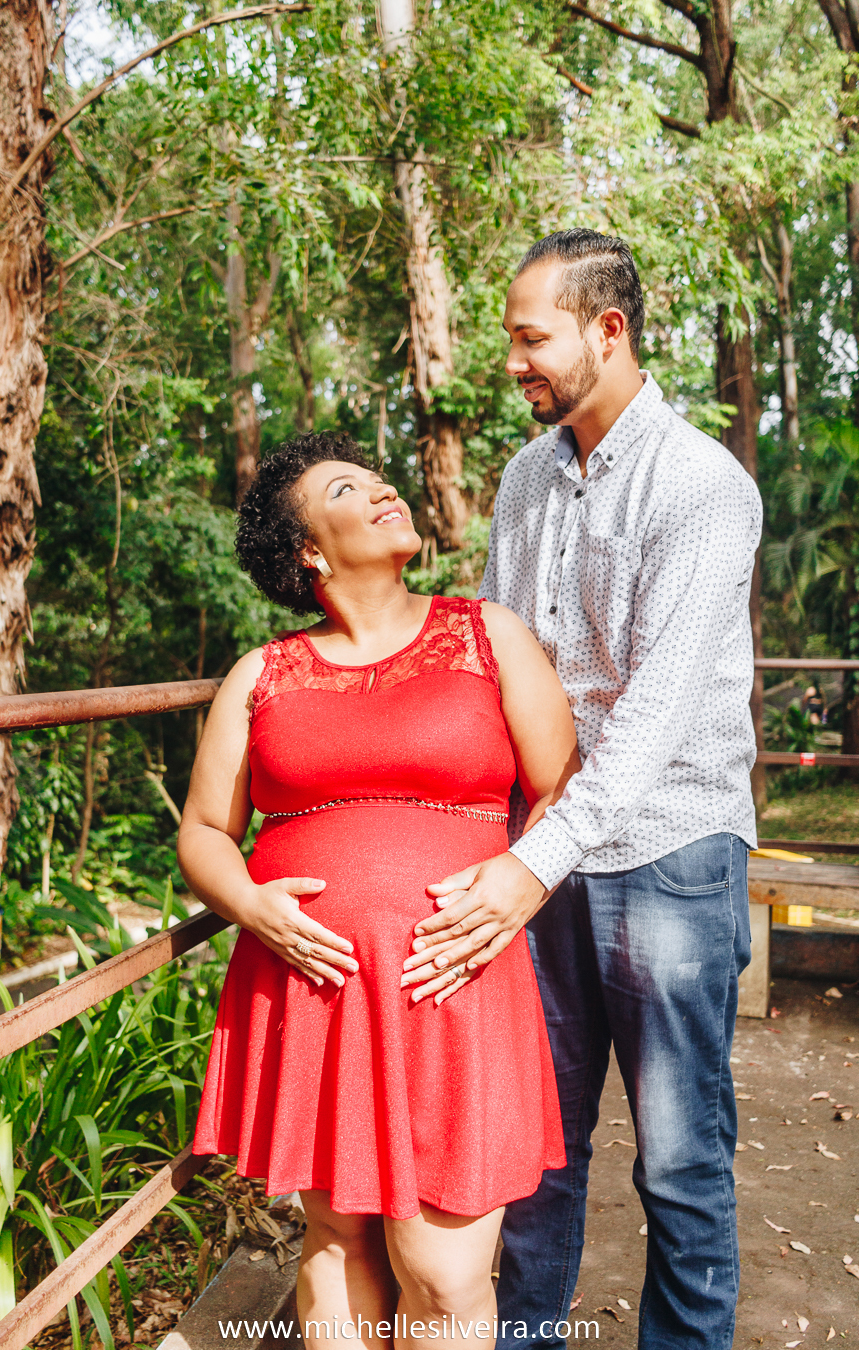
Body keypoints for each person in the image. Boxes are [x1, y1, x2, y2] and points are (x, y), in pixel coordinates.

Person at [401, 230, 763, 1350]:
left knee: (681, 1164)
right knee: (537, 1153)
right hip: (539, 851)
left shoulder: (702, 484)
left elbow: (653, 721)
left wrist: (527, 867)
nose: (513, 362)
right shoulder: (525, 477)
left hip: (670, 849)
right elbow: (497, 660)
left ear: (608, 331)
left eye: (531, 339)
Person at [177, 432, 580, 1350]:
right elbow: (203, 831)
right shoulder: (261, 673)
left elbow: (563, 789)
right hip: (314, 989)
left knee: (443, 1273)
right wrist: (251, 904)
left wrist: (520, 878)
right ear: (309, 553)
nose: (383, 490)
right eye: (347, 489)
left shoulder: (488, 633)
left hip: (454, 981)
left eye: (377, 478)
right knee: (334, 1239)